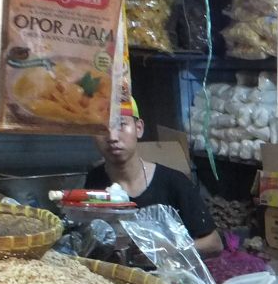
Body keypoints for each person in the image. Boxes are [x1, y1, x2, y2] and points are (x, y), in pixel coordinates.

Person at [85, 98, 223, 258]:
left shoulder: (173, 182)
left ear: (139, 128)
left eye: (121, 124)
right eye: (101, 128)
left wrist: (169, 250)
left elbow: (214, 243)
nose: (112, 137)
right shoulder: (94, 181)